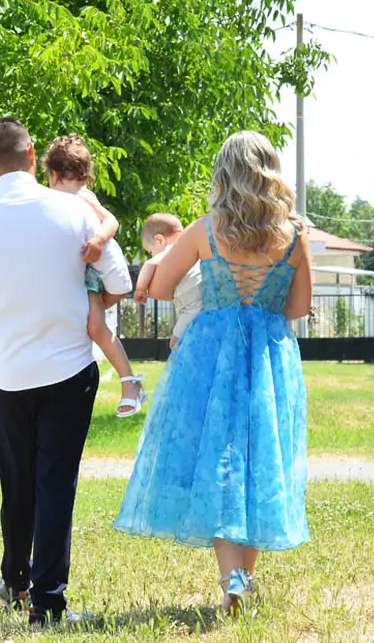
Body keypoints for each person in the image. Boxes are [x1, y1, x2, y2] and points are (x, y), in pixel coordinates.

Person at [112, 130, 313, 615]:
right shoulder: (295, 233)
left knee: (219, 458)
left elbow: (160, 289)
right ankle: (244, 577)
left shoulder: (204, 230)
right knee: (260, 456)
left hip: (210, 353)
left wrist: (156, 262)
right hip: (268, 355)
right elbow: (300, 306)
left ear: (224, 174)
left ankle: (233, 582)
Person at [0, 118, 133, 626]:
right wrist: (76, 299)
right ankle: (48, 604)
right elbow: (118, 280)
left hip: (6, 371)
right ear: (33, 156)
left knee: (17, 485)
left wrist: (12, 302)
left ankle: (14, 582)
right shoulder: (72, 210)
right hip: (68, 367)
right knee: (56, 484)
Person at [42, 135, 146, 417]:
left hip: (88, 273)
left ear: (52, 174)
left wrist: (99, 240)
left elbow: (112, 220)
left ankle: (129, 382)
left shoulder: (84, 197)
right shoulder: (46, 200)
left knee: (97, 328)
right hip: (65, 274)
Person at [133, 213, 202, 349]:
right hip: (204, 299)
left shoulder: (171, 250)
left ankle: (182, 370)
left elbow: (149, 265)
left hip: (192, 305)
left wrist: (140, 289)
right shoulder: (192, 249)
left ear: (159, 240)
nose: (152, 255)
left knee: (175, 343)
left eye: (151, 251)